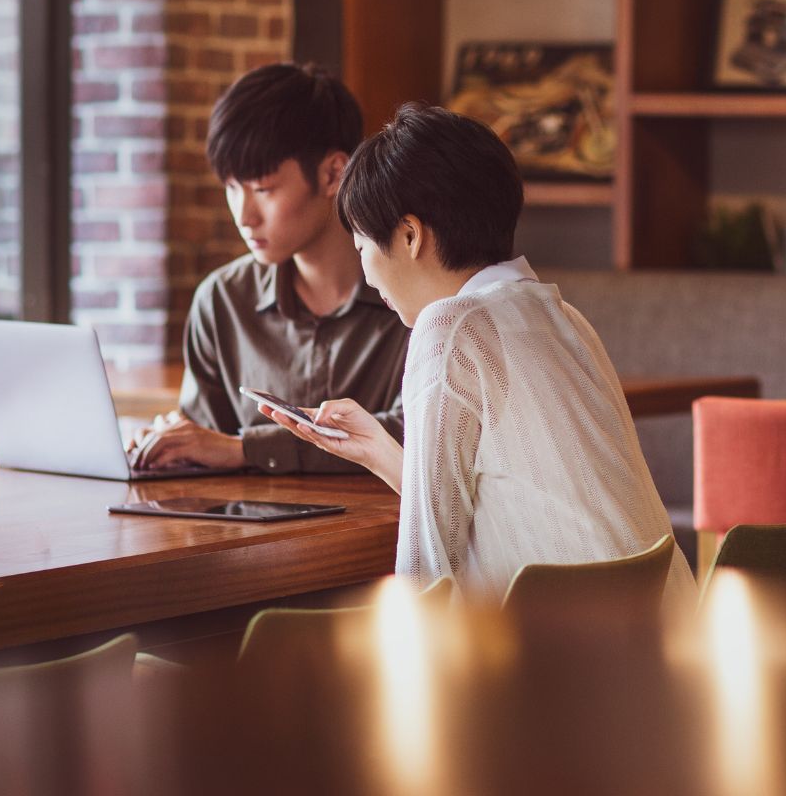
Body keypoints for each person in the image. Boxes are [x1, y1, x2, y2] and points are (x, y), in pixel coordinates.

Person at [259, 104, 694, 605]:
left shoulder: (449, 328)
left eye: (362, 248)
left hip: (558, 662)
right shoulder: (564, 318)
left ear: (408, 235)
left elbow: (426, 571)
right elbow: (506, 502)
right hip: (662, 646)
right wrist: (378, 451)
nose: (368, 275)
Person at [129, 64, 410, 473]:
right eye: (231, 188)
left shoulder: (412, 294)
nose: (244, 216)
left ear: (333, 173)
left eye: (263, 189)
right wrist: (169, 447)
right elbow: (206, 446)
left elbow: (413, 436)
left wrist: (244, 449)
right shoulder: (222, 300)